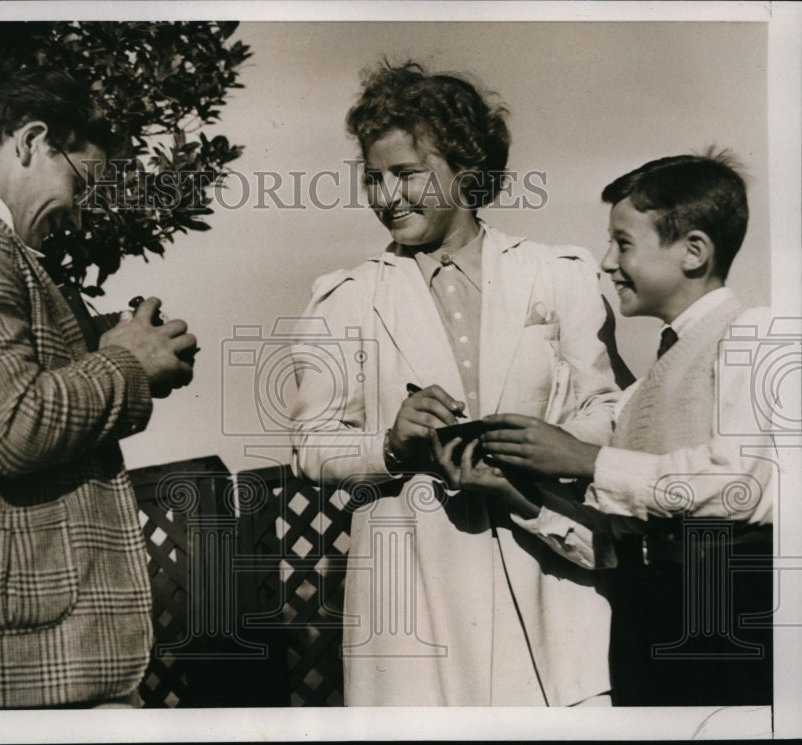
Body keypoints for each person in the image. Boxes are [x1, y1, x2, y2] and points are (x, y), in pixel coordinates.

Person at [289, 61, 622, 706]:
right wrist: (391, 446)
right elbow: (309, 446)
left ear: (467, 170)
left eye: (407, 174)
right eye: (374, 178)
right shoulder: (345, 299)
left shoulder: (561, 275)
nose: (387, 197)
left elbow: (609, 412)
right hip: (414, 582)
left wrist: (534, 446)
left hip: (547, 562)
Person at [0, 64, 197, 709]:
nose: (79, 210)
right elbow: (13, 427)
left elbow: (5, 386)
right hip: (8, 658)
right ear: (30, 142)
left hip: (10, 649)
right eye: (81, 180)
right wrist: (128, 366)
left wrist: (115, 343)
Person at [476, 151, 777, 705]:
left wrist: (586, 460)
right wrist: (514, 494)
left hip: (730, 628)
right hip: (646, 631)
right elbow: (618, 546)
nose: (606, 262)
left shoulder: (756, 336)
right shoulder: (642, 389)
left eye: (623, 243)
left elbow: (739, 485)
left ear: (694, 251)